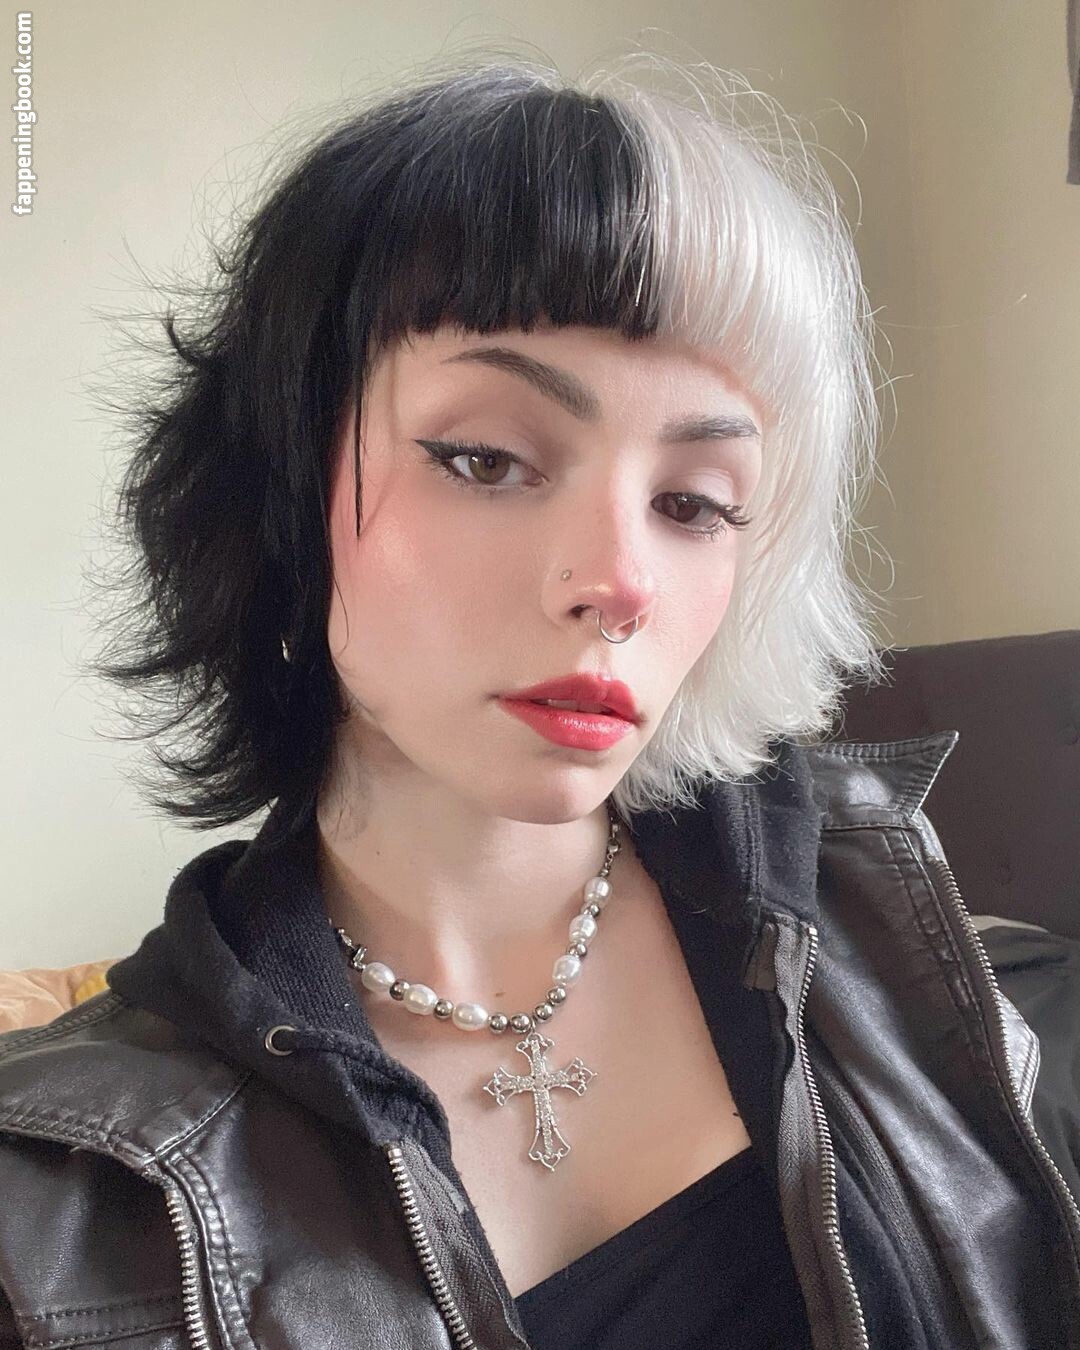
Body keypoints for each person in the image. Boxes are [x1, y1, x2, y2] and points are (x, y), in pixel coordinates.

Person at [0, 48, 1077, 1350]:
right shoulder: (64, 1201)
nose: (619, 583)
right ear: (279, 490)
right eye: (488, 459)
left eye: (694, 503)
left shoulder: (878, 913)